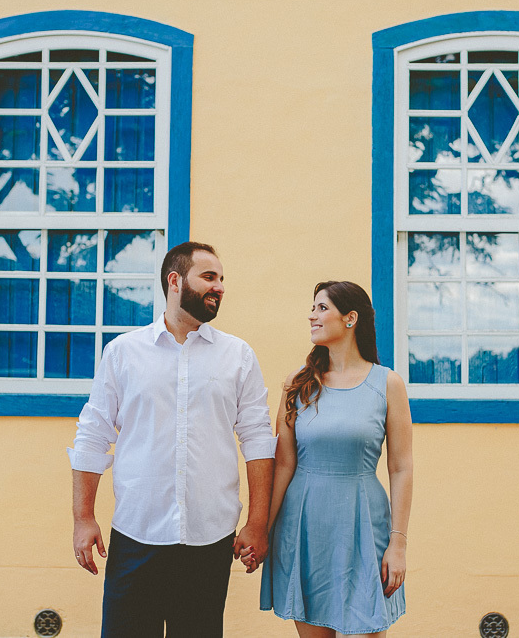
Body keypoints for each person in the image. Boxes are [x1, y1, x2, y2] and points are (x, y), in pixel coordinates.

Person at [68, 241, 275, 638]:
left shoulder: (239, 356)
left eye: (221, 279)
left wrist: (258, 523)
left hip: (210, 539)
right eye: (209, 277)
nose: (220, 287)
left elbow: (258, 440)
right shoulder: (122, 353)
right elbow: (92, 436)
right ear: (175, 281)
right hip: (136, 535)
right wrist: (83, 518)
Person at [259, 281, 413, 637]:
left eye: (322, 308)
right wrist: (262, 530)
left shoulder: (387, 384)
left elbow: (401, 467)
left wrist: (399, 544)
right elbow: (283, 464)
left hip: (364, 527)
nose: (312, 315)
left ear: (350, 319)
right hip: (304, 528)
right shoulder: (297, 384)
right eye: (312, 308)